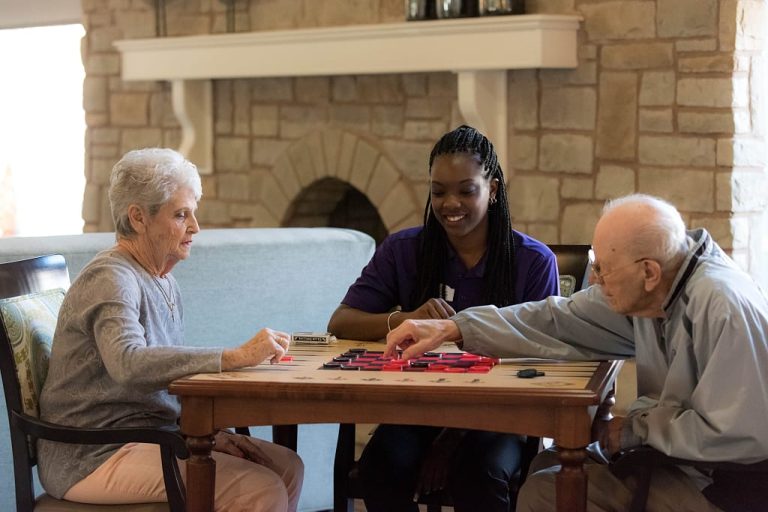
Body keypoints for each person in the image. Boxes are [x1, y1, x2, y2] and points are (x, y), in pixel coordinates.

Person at [384, 193, 768, 511]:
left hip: (725, 488)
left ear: (648, 271)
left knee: (543, 492)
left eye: (604, 270)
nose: (597, 280)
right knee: (549, 463)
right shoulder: (662, 285)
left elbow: (741, 435)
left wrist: (633, 431)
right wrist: (455, 327)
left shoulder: (722, 305)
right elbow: (556, 318)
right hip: (685, 463)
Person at [38, 148, 304, 512]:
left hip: (148, 438)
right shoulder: (112, 278)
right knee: (261, 489)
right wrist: (235, 357)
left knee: (287, 467)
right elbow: (129, 364)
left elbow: (160, 386)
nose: (195, 227)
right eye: (181, 215)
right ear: (138, 218)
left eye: (193, 213)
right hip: (92, 452)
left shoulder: (162, 281)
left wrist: (207, 434)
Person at [327, 125, 560, 512]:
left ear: (494, 189)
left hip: (500, 415)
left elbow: (540, 356)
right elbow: (340, 322)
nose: (450, 203)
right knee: (380, 469)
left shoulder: (533, 262)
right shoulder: (404, 250)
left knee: (476, 472)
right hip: (416, 410)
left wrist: (448, 443)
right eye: (438, 191)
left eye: (466, 190)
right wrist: (406, 319)